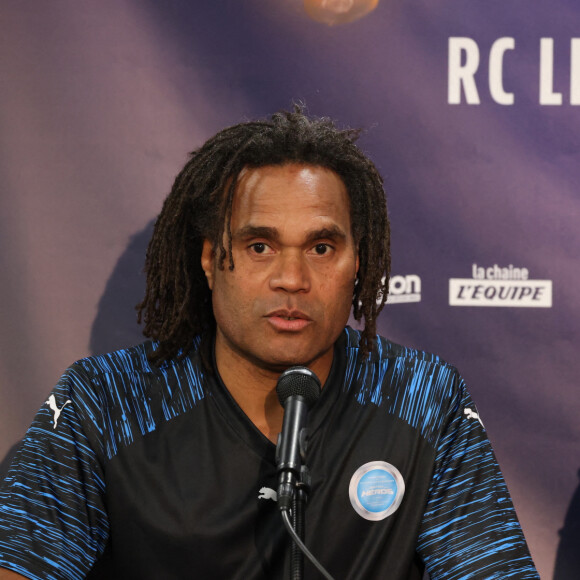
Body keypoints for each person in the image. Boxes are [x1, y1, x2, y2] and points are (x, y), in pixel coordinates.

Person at [0, 108, 538, 579]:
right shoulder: (106, 401)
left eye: (322, 247)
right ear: (211, 260)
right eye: (260, 246)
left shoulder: (423, 398)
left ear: (359, 263)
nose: (292, 278)